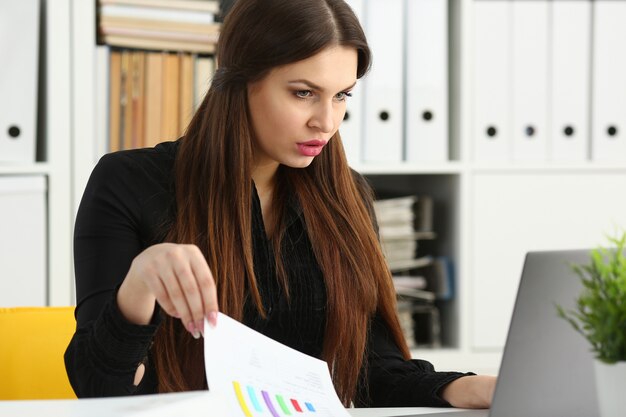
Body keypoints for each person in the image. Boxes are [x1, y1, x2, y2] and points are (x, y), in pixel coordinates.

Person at [65, 0, 496, 408]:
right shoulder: (127, 182)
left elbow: (373, 371)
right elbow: (100, 389)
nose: (326, 122)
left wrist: (470, 387)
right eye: (304, 93)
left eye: (342, 95)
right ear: (240, 83)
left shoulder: (346, 198)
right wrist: (139, 283)